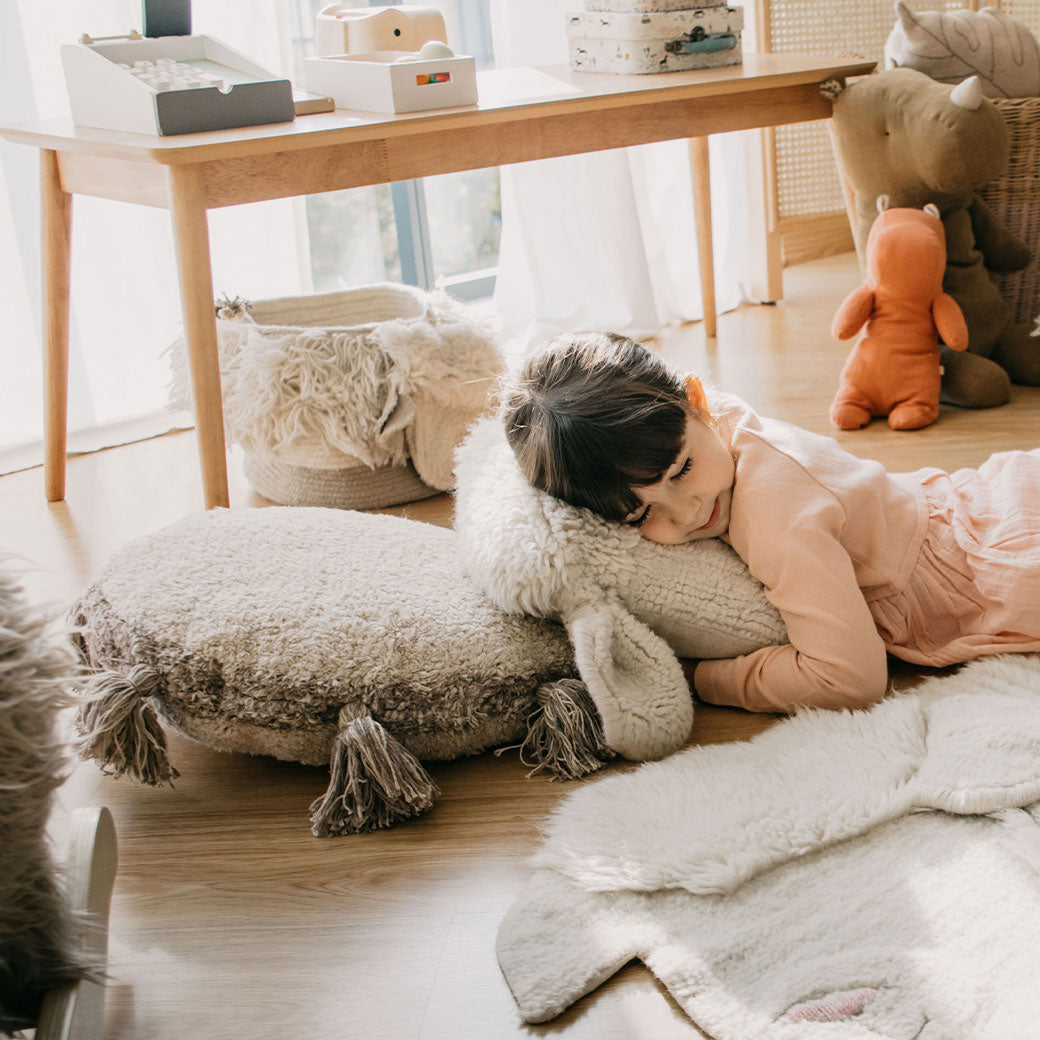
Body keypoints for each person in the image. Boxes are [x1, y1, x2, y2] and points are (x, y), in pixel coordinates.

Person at [502, 330, 1040, 714]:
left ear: (696, 400)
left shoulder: (777, 516)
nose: (688, 513)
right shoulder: (720, 424)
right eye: (642, 514)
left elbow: (849, 679)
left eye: (681, 470)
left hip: (988, 568)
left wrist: (702, 678)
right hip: (966, 502)